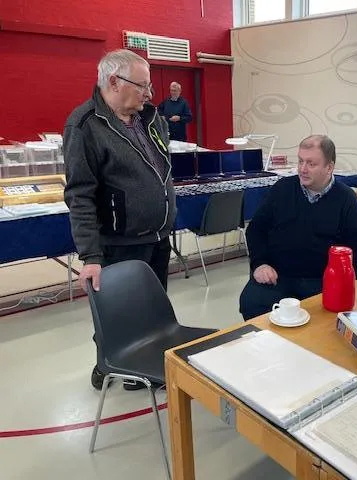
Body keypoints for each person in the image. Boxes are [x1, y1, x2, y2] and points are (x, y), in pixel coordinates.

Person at [63, 49, 176, 390]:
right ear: (114, 81)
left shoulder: (150, 118)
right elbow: (79, 194)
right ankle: (109, 363)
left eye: (149, 86)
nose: (148, 93)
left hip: (158, 237)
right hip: (120, 241)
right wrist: (91, 257)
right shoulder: (84, 125)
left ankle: (144, 368)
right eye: (142, 86)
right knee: (119, 315)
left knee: (153, 311)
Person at [239, 135, 357, 320]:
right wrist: (259, 264)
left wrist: (345, 285)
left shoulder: (346, 199)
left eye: (311, 164)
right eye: (300, 161)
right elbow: (256, 230)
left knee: (323, 323)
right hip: (278, 276)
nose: (302, 169)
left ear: (329, 167)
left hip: (322, 282)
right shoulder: (282, 189)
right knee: (252, 303)